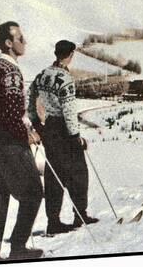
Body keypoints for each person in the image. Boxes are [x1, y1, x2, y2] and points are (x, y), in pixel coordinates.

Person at [0, 21, 44, 261]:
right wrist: (27, 133)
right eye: (20, 38)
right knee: (33, 193)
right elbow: (10, 113)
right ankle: (18, 248)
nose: (24, 41)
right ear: (9, 43)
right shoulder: (12, 71)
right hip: (9, 143)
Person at [28, 40, 99, 236]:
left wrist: (36, 123)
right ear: (71, 55)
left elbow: (30, 98)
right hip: (64, 130)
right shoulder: (65, 78)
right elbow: (69, 111)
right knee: (79, 172)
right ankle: (80, 214)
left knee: (54, 175)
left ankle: (53, 221)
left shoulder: (42, 74)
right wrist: (76, 136)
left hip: (49, 127)